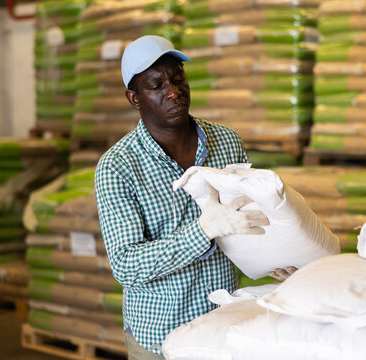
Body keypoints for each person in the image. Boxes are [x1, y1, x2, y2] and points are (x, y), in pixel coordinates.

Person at [94, 35, 293, 359]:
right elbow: (126, 265)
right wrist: (201, 232)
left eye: (177, 78)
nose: (173, 91)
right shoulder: (118, 167)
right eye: (156, 85)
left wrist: (275, 258)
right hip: (161, 336)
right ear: (134, 98)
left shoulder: (225, 141)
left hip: (223, 324)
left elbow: (244, 215)